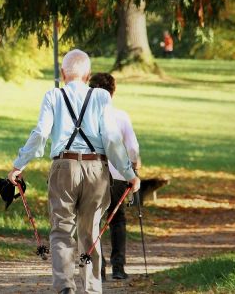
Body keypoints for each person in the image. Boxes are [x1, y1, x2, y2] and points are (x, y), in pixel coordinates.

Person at [8, 49, 141, 294]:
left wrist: (19, 165)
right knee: (90, 232)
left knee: (61, 230)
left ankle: (65, 287)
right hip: (95, 169)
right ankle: (91, 289)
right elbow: (111, 139)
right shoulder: (101, 97)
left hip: (63, 167)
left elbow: (40, 134)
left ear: (62, 73)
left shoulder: (52, 96)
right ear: (88, 74)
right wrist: (129, 173)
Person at [89, 72, 141, 281]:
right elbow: (132, 147)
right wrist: (134, 168)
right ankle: (118, 267)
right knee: (117, 220)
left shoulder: (87, 117)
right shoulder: (120, 116)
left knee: (94, 220)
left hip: (94, 174)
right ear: (113, 92)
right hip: (119, 175)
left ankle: (98, 269)